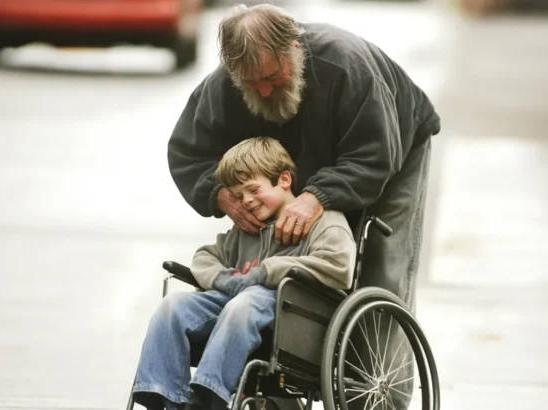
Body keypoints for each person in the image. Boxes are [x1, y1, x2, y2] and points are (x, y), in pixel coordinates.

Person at [167, 4, 440, 409]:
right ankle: (280, 386)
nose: (261, 90)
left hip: (388, 151)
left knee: (379, 268)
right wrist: (219, 194)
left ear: (294, 50)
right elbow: (187, 152)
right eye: (250, 82)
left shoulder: (344, 67)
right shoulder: (227, 83)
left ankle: (381, 401)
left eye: (272, 78)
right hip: (291, 171)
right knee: (273, 258)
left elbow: (374, 156)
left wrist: (317, 197)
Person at [132, 137, 356, 410]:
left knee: (246, 301)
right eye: (238, 196)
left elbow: (339, 268)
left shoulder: (325, 220)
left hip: (291, 315)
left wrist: (266, 272)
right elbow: (205, 256)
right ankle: (164, 398)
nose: (246, 201)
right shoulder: (247, 227)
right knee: (173, 305)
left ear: (284, 180)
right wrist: (223, 278)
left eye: (252, 190)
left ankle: (208, 398)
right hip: (233, 307)